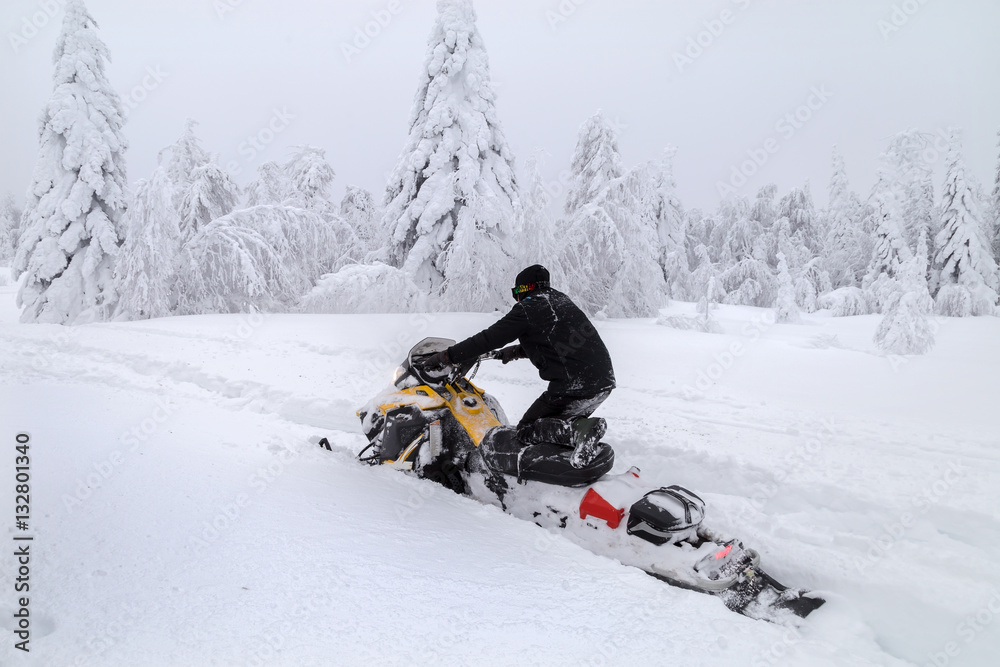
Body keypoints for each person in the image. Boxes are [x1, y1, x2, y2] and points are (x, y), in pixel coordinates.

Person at [422, 265, 615, 468]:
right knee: (550, 428)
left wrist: (448, 356)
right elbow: (553, 341)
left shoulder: (530, 307)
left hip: (574, 387)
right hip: (602, 383)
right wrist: (514, 352)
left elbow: (489, 338)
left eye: (516, 292)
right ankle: (565, 467)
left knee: (527, 429)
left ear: (523, 290)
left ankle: (578, 431)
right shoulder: (559, 300)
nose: (516, 298)